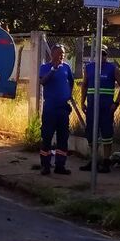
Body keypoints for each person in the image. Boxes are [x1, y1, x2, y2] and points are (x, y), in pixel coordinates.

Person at [79, 45, 120, 173]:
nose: (102, 56)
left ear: (107, 55)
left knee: (107, 134)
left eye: (104, 54)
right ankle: (93, 160)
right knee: (91, 134)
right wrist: (82, 102)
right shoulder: (89, 68)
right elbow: (84, 85)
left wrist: (116, 103)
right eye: (99, 54)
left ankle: (106, 161)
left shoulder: (113, 68)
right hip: (92, 106)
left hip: (106, 108)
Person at [38, 44, 74, 175]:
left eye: (63, 53)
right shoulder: (45, 67)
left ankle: (60, 165)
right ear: (52, 54)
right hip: (50, 108)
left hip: (63, 108)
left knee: (63, 137)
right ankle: (45, 165)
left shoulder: (66, 67)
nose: (62, 56)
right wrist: (53, 69)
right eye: (60, 53)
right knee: (47, 136)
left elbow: (71, 81)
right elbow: (43, 81)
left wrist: (69, 94)